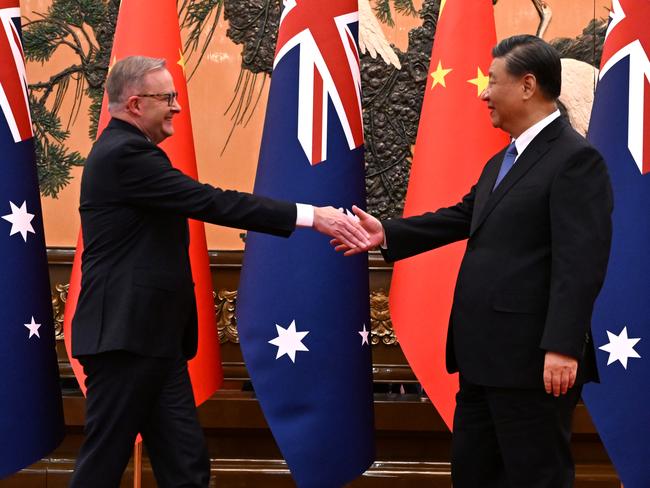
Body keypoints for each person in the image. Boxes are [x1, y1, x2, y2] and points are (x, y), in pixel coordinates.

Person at [69, 55, 370, 487]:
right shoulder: (125, 154)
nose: (176, 107)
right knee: (103, 464)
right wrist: (311, 215)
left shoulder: (131, 152)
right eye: (167, 98)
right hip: (125, 340)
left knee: (186, 465)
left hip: (155, 340)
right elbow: (211, 201)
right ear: (135, 104)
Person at [335, 35, 613, 487]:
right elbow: (464, 216)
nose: (483, 93)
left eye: (492, 82)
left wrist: (562, 346)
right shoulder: (502, 161)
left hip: (534, 364)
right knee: (474, 476)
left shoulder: (575, 161)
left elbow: (580, 263)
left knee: (534, 478)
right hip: (482, 358)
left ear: (527, 85)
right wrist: (387, 232)